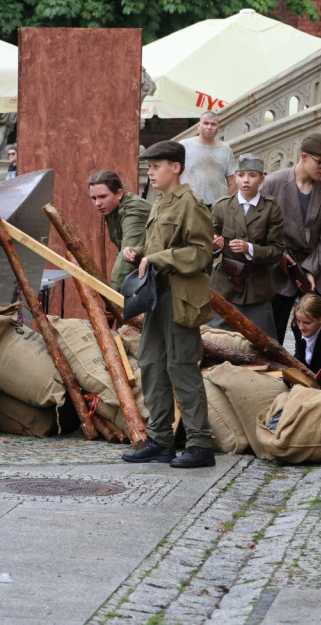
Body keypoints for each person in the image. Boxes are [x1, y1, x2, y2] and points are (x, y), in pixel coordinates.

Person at [121, 140, 215, 469]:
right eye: (149, 167)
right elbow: (155, 249)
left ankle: (200, 444)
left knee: (181, 367)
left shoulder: (191, 203)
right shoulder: (159, 203)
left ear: (176, 167)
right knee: (150, 365)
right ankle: (160, 440)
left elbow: (201, 253)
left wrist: (158, 258)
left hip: (180, 298)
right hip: (156, 297)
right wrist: (138, 255)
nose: (151, 172)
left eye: (156, 166)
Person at [260, 133, 321, 342]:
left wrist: (309, 270)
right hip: (278, 271)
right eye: (320, 162)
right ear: (304, 157)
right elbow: (259, 228)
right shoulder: (272, 184)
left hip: (316, 270)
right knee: (270, 339)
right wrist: (279, 257)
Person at [208, 153, 283, 339]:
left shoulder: (270, 208)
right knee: (218, 341)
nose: (246, 180)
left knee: (261, 343)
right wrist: (215, 246)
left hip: (257, 290)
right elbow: (206, 243)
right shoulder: (222, 206)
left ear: (262, 179)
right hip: (225, 287)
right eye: (241, 175)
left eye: (252, 175)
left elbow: (276, 250)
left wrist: (250, 248)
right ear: (235, 178)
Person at [87, 170, 151, 292]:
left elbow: (127, 254)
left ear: (119, 194)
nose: (97, 203)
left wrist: (114, 295)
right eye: (94, 198)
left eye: (103, 196)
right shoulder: (111, 210)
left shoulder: (134, 210)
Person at [181, 111, 236, 206]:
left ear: (218, 127)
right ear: (199, 126)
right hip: (189, 204)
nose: (209, 127)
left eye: (213, 124)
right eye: (206, 123)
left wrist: (226, 203)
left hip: (216, 205)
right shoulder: (184, 146)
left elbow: (232, 181)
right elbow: (172, 174)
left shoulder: (225, 149)